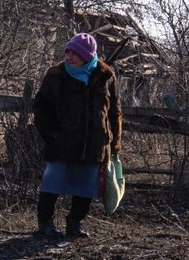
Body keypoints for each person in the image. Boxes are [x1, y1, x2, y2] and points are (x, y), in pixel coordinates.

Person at [31, 31, 122, 238]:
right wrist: (51, 134)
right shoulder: (56, 75)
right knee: (52, 182)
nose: (69, 57)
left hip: (94, 143)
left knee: (85, 186)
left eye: (75, 53)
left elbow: (115, 111)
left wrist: (114, 141)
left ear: (88, 56)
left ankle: (75, 224)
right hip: (62, 141)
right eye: (68, 52)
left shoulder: (105, 75)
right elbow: (41, 108)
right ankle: (45, 224)